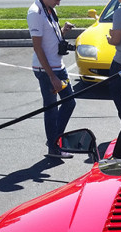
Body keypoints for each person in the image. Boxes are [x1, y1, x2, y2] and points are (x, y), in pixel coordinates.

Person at [28, 0, 76, 159]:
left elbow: (51, 39)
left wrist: (63, 31)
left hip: (58, 66)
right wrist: (52, 76)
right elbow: (38, 47)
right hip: (47, 70)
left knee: (69, 102)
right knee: (51, 108)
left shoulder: (49, 9)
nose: (59, 2)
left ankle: (54, 140)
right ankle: (54, 147)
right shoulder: (36, 12)